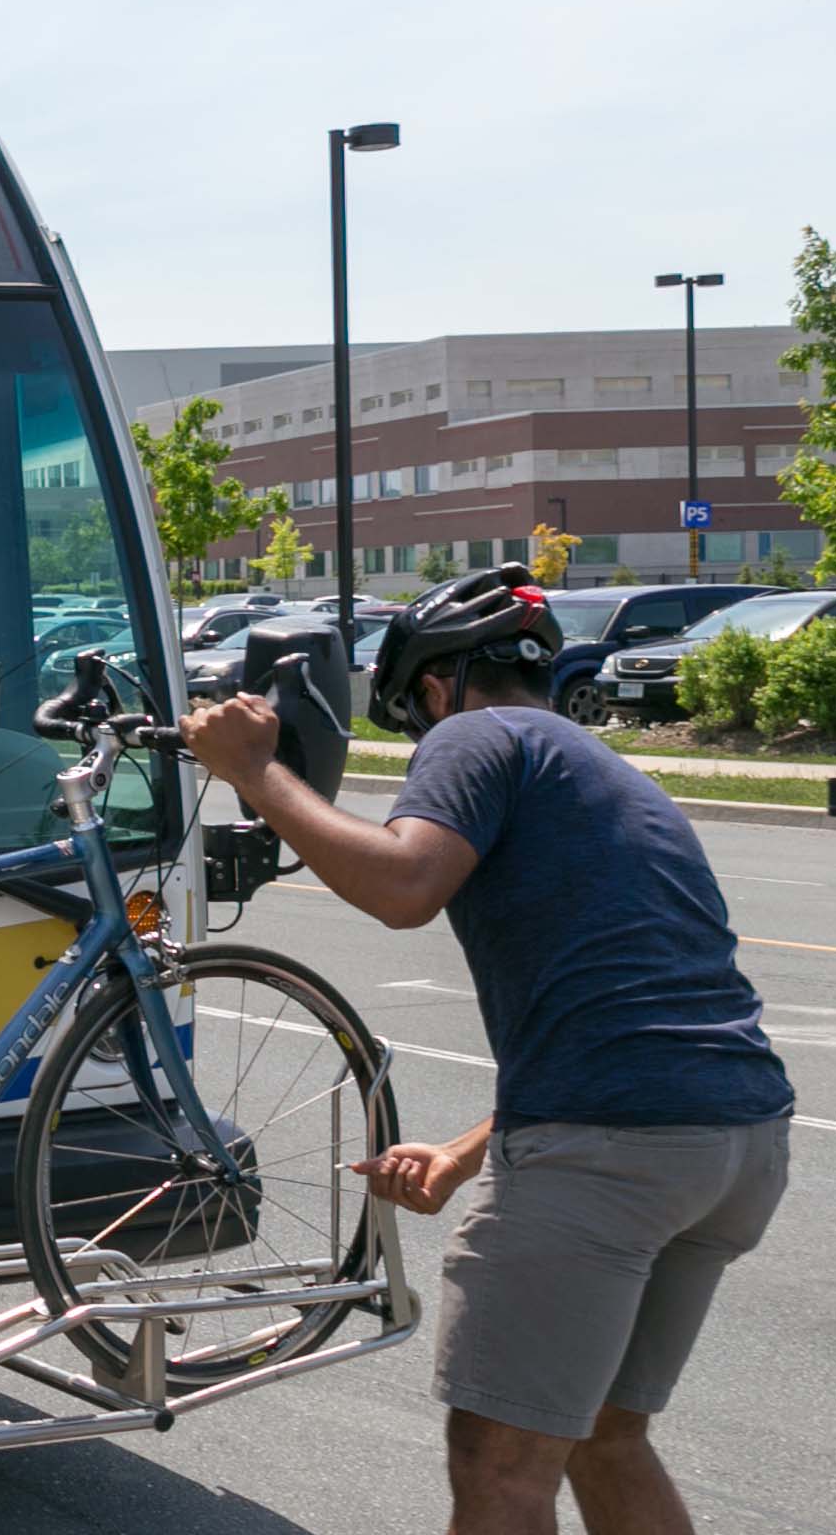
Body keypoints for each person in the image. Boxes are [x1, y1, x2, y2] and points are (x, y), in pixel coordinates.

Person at [180, 564, 793, 1535]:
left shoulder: (473, 734)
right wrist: (467, 1154)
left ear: (435, 688)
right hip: (736, 1141)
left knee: (500, 1462)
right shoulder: (609, 775)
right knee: (603, 1434)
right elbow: (630, 1020)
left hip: (612, 1148)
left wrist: (255, 770)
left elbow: (403, 886)